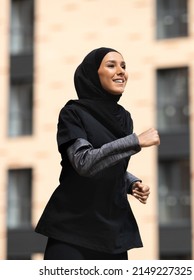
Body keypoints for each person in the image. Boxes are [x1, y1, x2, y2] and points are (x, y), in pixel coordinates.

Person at [35, 47, 160, 260]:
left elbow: (110, 162)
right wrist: (135, 141)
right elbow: (84, 162)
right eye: (111, 65)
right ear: (94, 74)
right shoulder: (73, 113)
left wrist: (130, 183)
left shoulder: (124, 118)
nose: (121, 71)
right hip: (72, 229)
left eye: (124, 66)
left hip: (112, 233)